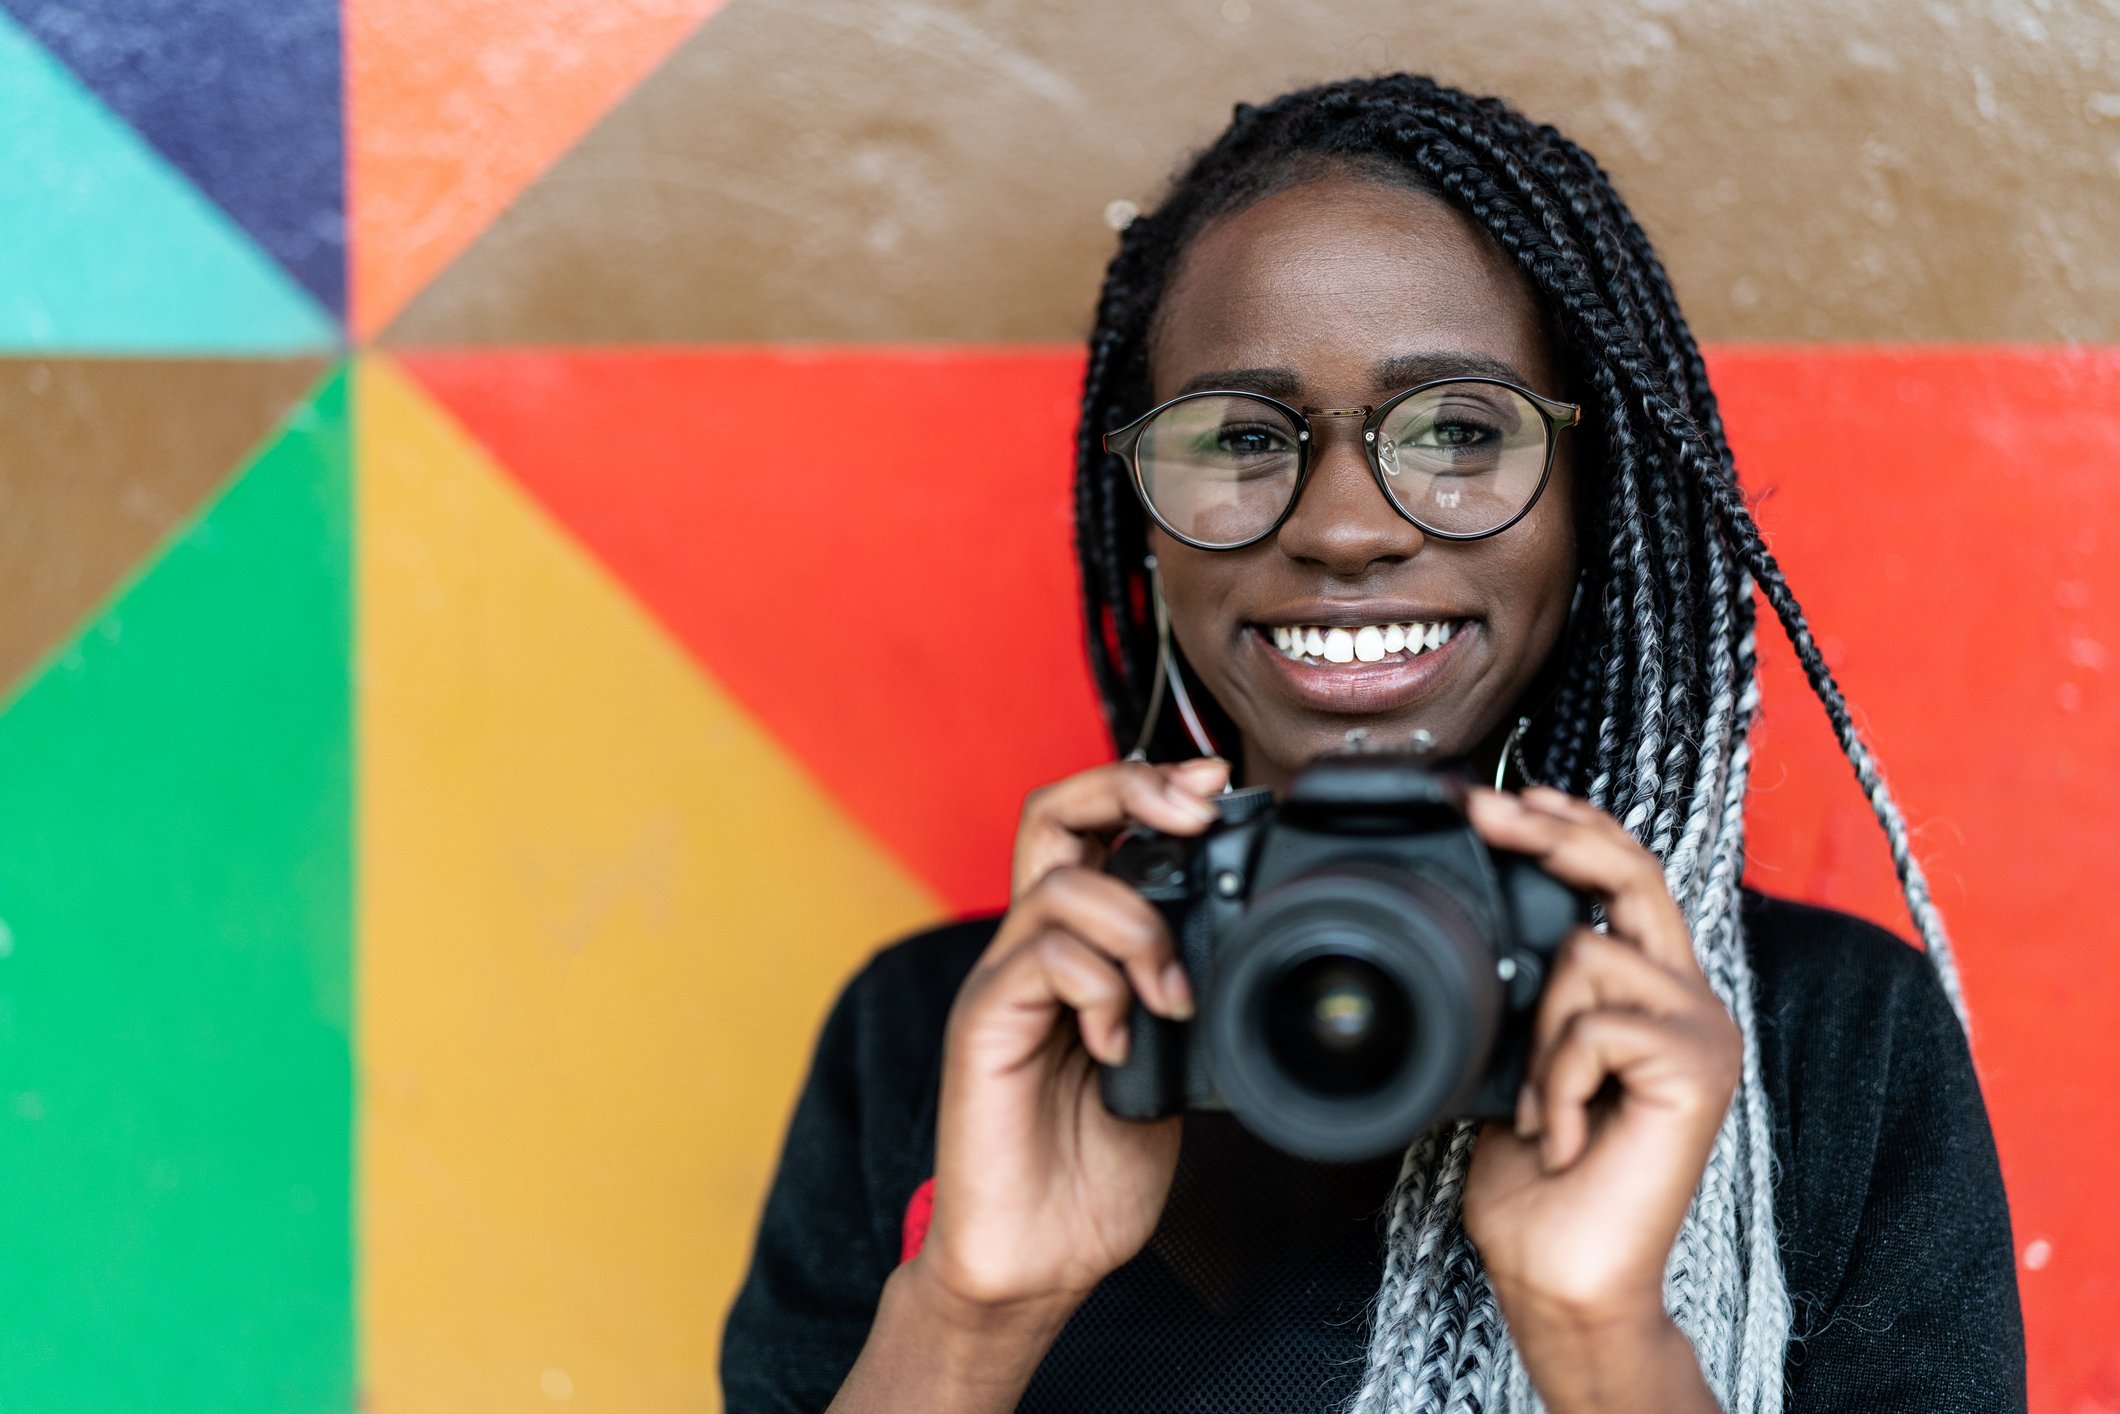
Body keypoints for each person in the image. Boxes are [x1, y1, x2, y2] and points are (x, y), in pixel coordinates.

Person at [721, 74, 2024, 1413]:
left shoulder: (1817, 1037)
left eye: (1460, 431)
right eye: (1240, 437)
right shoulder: (963, 1033)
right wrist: (973, 1312)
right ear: (1149, 531)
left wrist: (1599, 1334)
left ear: (1594, 500)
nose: (1345, 527)